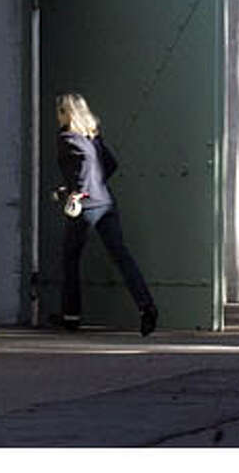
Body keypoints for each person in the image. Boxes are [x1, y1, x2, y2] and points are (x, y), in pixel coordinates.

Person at [56, 92, 159, 336]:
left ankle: (71, 316)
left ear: (66, 114)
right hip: (105, 202)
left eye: (59, 112)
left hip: (85, 205)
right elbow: (110, 164)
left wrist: (77, 191)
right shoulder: (92, 137)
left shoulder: (67, 138)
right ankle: (147, 307)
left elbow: (80, 169)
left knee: (70, 258)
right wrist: (94, 186)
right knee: (121, 256)